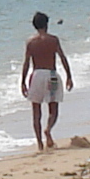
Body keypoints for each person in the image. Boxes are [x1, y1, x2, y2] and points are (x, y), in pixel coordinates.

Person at [18, 16, 71, 150]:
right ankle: (48, 129)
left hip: (36, 75)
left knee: (36, 111)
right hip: (51, 75)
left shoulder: (30, 42)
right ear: (46, 24)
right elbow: (62, 57)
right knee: (53, 109)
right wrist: (69, 76)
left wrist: (23, 81)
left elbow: (26, 63)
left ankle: (39, 143)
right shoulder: (53, 40)